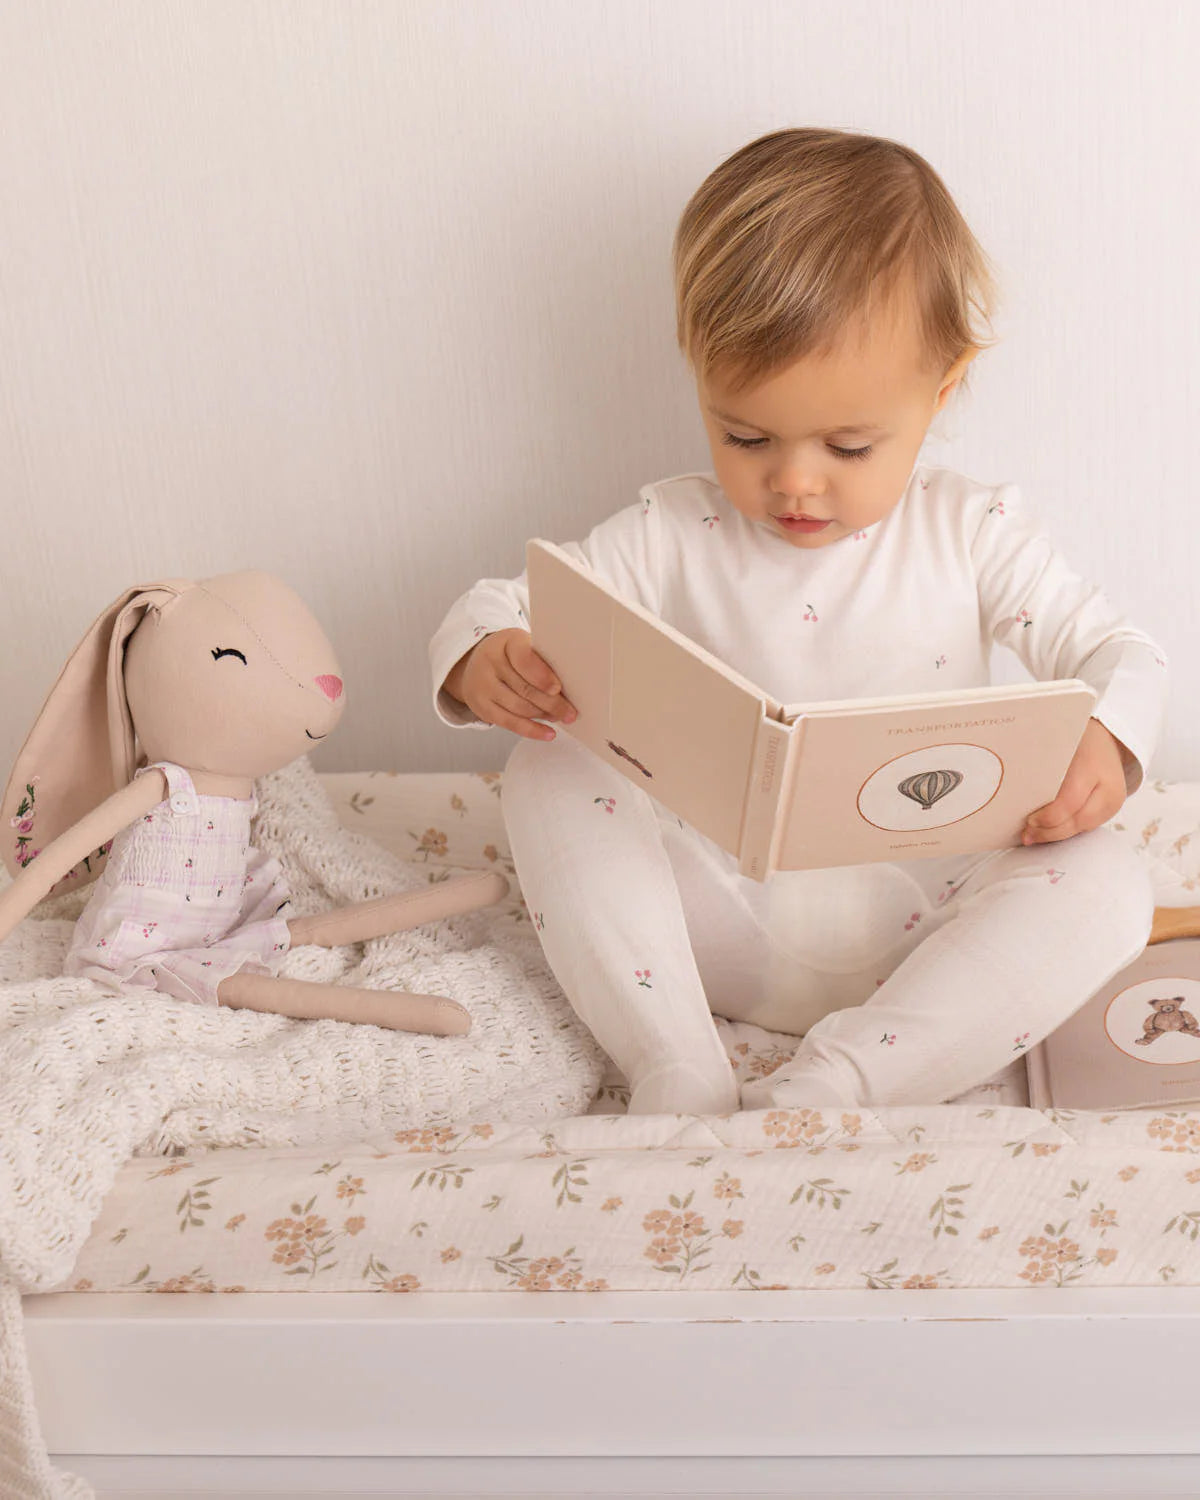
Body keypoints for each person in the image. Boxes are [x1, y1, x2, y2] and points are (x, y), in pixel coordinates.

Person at [429, 127, 1167, 1116]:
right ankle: (675, 1066)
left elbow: (1116, 649)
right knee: (550, 762)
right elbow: (516, 603)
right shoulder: (671, 530)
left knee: (1112, 881)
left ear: (941, 392)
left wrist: (1107, 739)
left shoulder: (973, 528)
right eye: (746, 435)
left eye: (850, 445)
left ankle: (841, 1084)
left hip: (930, 924)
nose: (794, 482)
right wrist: (484, 656)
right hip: (715, 928)